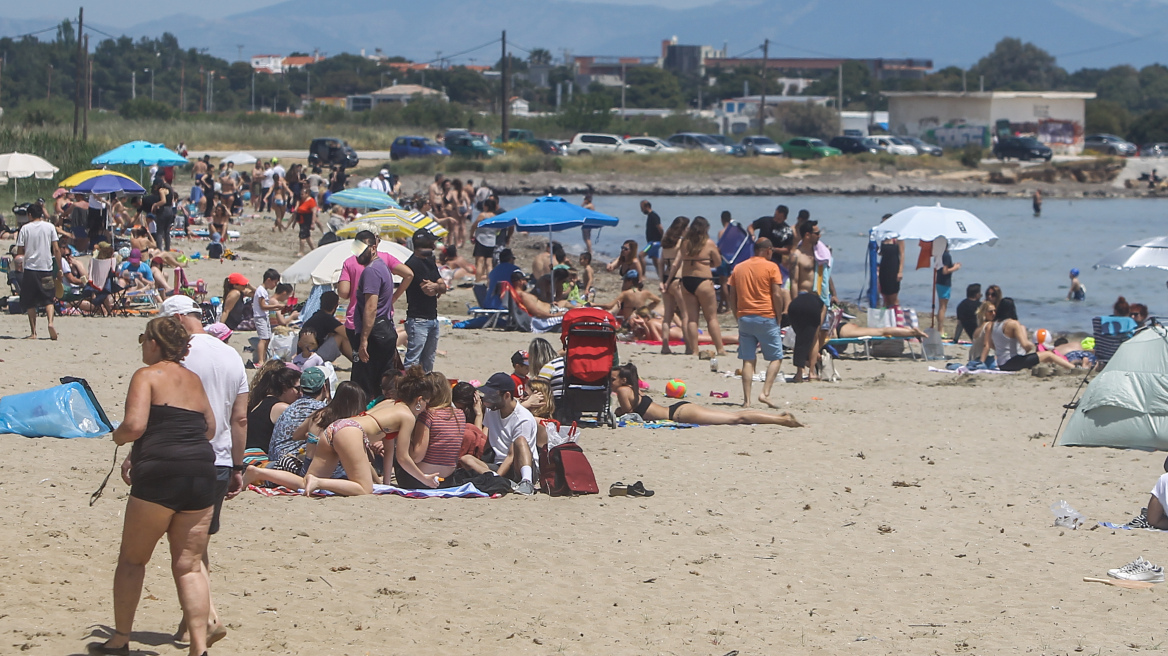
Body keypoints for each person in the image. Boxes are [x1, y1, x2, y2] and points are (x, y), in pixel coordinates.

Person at [95, 317, 218, 656]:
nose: (141, 345)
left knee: (133, 560)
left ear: (154, 343)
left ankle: (120, 638)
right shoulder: (193, 379)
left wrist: (118, 437)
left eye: (143, 339)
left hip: (162, 474)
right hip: (201, 471)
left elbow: (134, 425)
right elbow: (210, 427)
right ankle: (197, 648)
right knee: (189, 565)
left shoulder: (146, 376)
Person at [147, 295, 248, 648]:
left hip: (181, 455)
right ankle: (193, 620)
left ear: (176, 319)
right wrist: (238, 465)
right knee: (195, 544)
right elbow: (239, 418)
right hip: (220, 460)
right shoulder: (231, 354)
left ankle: (208, 617)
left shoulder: (179, 355)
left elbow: (158, 406)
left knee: (185, 552)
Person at [246, 368, 431, 496]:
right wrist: (425, 480)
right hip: (351, 432)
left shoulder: (390, 404)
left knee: (305, 481)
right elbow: (403, 457)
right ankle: (320, 483)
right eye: (426, 404)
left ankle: (258, 473)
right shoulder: (407, 415)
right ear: (420, 399)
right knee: (364, 489)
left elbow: (389, 447)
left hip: (336, 427)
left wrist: (387, 486)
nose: (426, 408)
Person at [338, 230, 413, 392]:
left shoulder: (371, 270)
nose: (357, 255)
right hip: (384, 328)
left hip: (375, 330)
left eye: (361, 250)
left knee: (363, 381)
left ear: (373, 248)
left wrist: (364, 340)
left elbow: (370, 307)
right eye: (355, 250)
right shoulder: (382, 266)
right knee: (381, 379)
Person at [612, 363, 801, 427]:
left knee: (736, 418)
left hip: (679, 415)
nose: (609, 383)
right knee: (735, 417)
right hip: (680, 409)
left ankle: (781, 419)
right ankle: (779, 419)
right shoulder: (634, 389)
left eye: (612, 379)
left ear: (623, 381)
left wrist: (617, 411)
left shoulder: (622, 391)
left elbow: (630, 416)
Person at [727, 238, 789, 409]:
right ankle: (765, 393)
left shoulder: (739, 267)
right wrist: (779, 315)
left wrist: (736, 313)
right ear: (768, 250)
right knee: (776, 357)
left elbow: (732, 294)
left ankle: (746, 401)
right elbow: (776, 294)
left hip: (745, 317)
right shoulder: (771, 267)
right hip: (766, 316)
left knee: (747, 359)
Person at [459, 373, 538, 495]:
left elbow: (511, 456)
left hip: (521, 465)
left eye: (492, 395)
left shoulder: (522, 418)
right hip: (499, 465)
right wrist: (481, 459)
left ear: (506, 395)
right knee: (466, 459)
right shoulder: (492, 410)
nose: (487, 399)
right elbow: (489, 440)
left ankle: (526, 483)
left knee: (520, 440)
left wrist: (496, 479)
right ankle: (505, 482)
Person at [395, 371, 465, 489]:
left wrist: (404, 437)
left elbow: (417, 456)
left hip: (421, 479)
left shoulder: (428, 415)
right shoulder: (460, 415)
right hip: (447, 480)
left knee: (398, 450)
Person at [669, 216, 725, 356]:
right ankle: (720, 349)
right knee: (711, 317)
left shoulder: (684, 243)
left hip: (687, 281)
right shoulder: (709, 243)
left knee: (692, 319)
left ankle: (694, 350)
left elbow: (680, 259)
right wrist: (707, 264)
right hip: (703, 281)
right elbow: (718, 263)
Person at [980, 297, 1074, 372]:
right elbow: (1025, 345)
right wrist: (1033, 345)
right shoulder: (1013, 323)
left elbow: (991, 344)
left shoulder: (992, 324)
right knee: (1049, 355)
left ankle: (1061, 369)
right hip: (1013, 362)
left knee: (1042, 357)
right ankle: (1073, 368)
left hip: (1001, 364)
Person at [788, 221, 829, 382]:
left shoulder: (820, 253)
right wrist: (793, 302)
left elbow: (826, 274)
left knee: (815, 335)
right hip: (803, 297)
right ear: (807, 235)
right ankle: (800, 371)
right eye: (816, 233)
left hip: (819, 297)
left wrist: (832, 293)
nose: (819, 236)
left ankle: (811, 371)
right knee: (802, 335)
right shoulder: (796, 255)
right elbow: (794, 281)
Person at [267, 367, 331, 465]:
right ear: (324, 387)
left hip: (273, 461)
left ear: (301, 389)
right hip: (291, 465)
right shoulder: (322, 410)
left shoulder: (290, 407)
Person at [15, 203, 59, 340]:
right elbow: (56, 249)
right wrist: (60, 267)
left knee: (29, 301)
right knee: (49, 298)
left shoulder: (25, 228)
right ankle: (50, 322)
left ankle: (33, 332)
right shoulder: (50, 227)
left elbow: (20, 250)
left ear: (29, 215)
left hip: (31, 269)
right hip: (46, 268)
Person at [404, 230, 446, 373]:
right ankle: (408, 391)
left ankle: (425, 391)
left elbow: (442, 286)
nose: (434, 246)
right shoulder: (412, 264)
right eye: (431, 243)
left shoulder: (430, 261)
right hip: (418, 319)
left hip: (432, 318)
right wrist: (436, 287)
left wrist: (437, 287)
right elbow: (427, 290)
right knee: (413, 361)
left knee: (428, 361)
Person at [245, 364, 301, 458]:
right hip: (261, 460)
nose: (300, 393)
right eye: (297, 389)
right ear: (284, 388)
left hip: (249, 457)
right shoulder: (282, 408)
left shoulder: (261, 402)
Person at [658, 216, 691, 355]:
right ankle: (689, 346)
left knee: (667, 316)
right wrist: (668, 281)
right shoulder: (681, 243)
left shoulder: (666, 243)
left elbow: (661, 263)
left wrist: (662, 280)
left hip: (666, 277)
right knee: (685, 314)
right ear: (682, 228)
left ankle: (665, 346)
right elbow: (677, 264)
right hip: (676, 279)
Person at [299, 290, 351, 363]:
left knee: (333, 334)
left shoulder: (317, 315)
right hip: (311, 358)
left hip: (303, 355)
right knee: (341, 336)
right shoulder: (327, 318)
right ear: (336, 306)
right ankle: (357, 361)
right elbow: (348, 334)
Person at [251, 269, 283, 367]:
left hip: (264, 316)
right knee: (263, 339)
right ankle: (260, 361)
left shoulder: (263, 291)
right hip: (260, 316)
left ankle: (263, 358)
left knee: (267, 338)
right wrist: (277, 307)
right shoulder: (261, 290)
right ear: (268, 280)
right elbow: (263, 306)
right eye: (275, 282)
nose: (275, 285)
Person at [748, 205, 794, 273]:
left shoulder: (788, 230)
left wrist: (774, 249)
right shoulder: (765, 221)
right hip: (759, 255)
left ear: (785, 218)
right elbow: (750, 227)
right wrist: (752, 235)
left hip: (775, 259)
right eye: (775, 216)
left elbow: (788, 250)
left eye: (779, 219)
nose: (776, 220)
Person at [876, 213, 904, 307]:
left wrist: (900, 271)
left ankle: (896, 317)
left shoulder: (898, 237)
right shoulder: (883, 237)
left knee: (893, 296)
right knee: (885, 295)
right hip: (884, 266)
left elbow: (902, 254)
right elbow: (881, 252)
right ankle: (886, 318)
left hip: (894, 267)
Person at [469, 197, 499, 282]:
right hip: (491, 241)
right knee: (489, 263)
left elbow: (474, 225)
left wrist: (471, 235)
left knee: (479, 262)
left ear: (486, 206)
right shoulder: (495, 217)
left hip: (481, 239)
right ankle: (490, 282)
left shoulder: (483, 215)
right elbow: (498, 229)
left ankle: (478, 281)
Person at [934, 242, 959, 335]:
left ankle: (939, 328)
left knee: (941, 306)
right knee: (943, 307)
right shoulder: (946, 255)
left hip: (939, 281)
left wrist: (952, 266)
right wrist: (955, 268)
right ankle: (940, 329)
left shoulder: (939, 255)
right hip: (944, 283)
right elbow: (945, 271)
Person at [639, 200, 664, 280]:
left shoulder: (654, 216)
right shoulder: (650, 216)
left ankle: (643, 275)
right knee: (655, 261)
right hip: (653, 242)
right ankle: (661, 277)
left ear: (646, 207)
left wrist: (663, 238)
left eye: (642, 208)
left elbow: (660, 228)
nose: (641, 210)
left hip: (654, 242)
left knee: (641, 255)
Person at [292, 187, 318, 256]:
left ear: (307, 194)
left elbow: (314, 213)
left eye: (303, 194)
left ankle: (301, 251)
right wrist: (294, 222)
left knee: (302, 236)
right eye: (301, 194)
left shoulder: (311, 201)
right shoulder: (302, 201)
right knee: (307, 236)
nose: (301, 196)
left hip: (307, 219)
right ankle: (314, 250)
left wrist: (313, 223)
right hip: (301, 219)